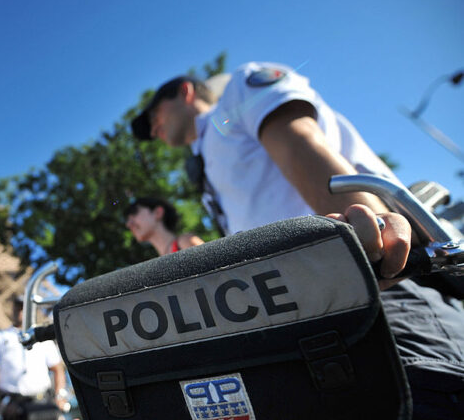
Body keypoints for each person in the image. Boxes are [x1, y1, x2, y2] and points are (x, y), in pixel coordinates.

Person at [130, 62, 464, 417]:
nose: (153, 128)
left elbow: (299, 142)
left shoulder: (237, 94)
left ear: (185, 91)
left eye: (154, 113)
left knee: (423, 401)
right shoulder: (208, 160)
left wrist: (369, 251)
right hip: (307, 319)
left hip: (375, 295)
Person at [0, 297, 67, 420]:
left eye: (24, 307)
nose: (21, 311)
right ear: (13, 309)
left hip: (43, 404)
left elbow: (57, 368)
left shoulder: (43, 337)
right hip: (14, 406)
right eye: (18, 307)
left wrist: (59, 396)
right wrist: (0, 406)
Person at [124, 196, 204, 256]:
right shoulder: (158, 265)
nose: (128, 224)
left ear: (158, 212)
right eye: (128, 220)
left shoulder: (185, 242)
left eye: (134, 212)